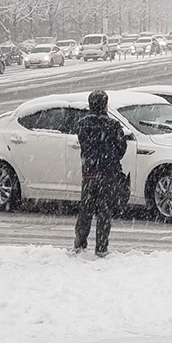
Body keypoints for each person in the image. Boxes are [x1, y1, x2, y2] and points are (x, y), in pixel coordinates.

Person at [74, 90, 129, 258]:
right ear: (105, 104)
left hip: (89, 173)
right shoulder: (113, 125)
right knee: (104, 212)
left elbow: (83, 143)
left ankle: (80, 242)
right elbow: (122, 149)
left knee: (86, 210)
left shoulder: (83, 124)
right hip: (107, 174)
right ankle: (101, 247)